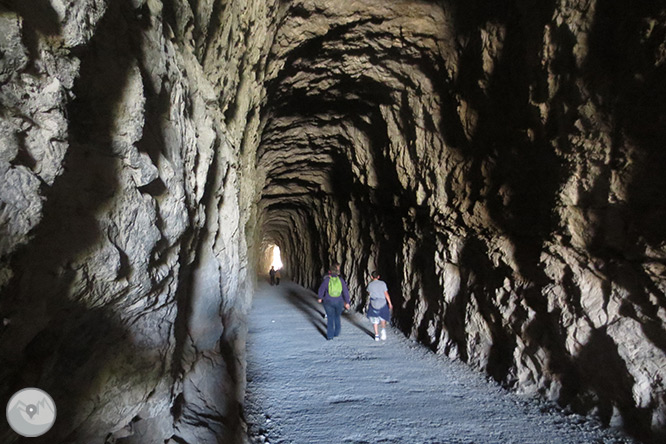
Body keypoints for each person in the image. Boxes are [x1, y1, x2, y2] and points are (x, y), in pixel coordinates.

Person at [317, 263, 350, 340]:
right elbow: (345, 291)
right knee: (337, 317)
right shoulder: (341, 280)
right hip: (339, 301)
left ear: (330, 272)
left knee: (330, 318)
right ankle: (337, 332)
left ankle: (330, 336)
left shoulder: (327, 280)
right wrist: (347, 302)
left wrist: (320, 297)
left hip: (328, 301)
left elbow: (321, 289)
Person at [366, 270, 393, 341]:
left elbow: (369, 293)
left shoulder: (370, 285)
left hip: (374, 303)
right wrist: (390, 303)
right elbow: (386, 294)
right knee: (382, 317)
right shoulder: (383, 284)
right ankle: (383, 331)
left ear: (371, 277)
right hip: (382, 302)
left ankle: (377, 335)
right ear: (378, 276)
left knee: (375, 320)